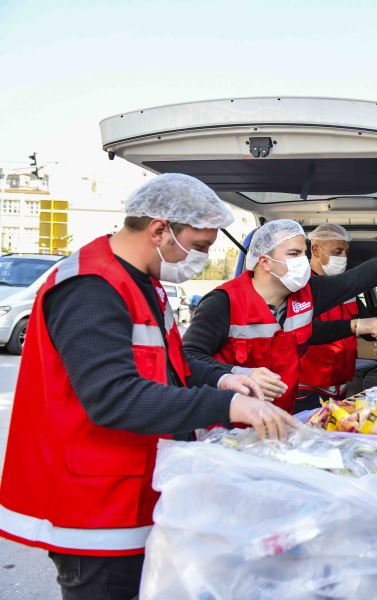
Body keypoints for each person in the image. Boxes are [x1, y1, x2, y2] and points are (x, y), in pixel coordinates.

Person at [0, 174, 297, 600]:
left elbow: (167, 364)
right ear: (160, 229)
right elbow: (113, 397)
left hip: (138, 489)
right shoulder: (90, 287)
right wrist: (228, 405)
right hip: (96, 509)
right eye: (198, 247)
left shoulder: (145, 280)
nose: (201, 259)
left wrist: (224, 377)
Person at [184, 220, 377, 414]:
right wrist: (238, 373)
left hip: (279, 419)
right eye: (293, 255)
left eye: (303, 255)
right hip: (228, 422)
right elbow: (187, 358)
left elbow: (358, 278)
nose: (303, 262)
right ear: (265, 262)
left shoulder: (307, 295)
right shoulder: (222, 303)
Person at [294, 223, 377, 406]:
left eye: (346, 251)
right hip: (306, 390)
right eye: (337, 251)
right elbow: (300, 331)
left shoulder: (347, 290)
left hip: (340, 389)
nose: (344, 257)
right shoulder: (300, 288)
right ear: (315, 250)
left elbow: (366, 328)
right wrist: (355, 326)